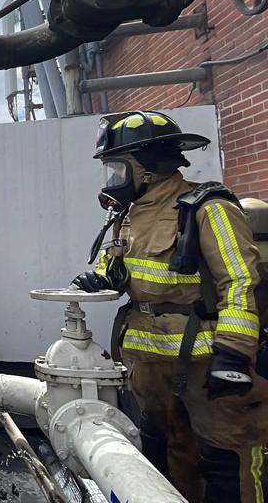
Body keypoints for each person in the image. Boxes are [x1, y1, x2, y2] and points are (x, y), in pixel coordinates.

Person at [72, 110, 268, 502]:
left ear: (147, 168)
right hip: (150, 372)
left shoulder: (208, 207)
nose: (112, 179)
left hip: (206, 366)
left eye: (118, 168)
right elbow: (116, 268)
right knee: (168, 459)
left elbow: (240, 281)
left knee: (226, 464)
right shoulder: (128, 215)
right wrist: (102, 279)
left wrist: (233, 356)